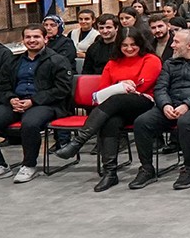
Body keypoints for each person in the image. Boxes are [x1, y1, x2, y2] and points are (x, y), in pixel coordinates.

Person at [54, 27, 163, 192]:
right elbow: (102, 90)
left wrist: (118, 87)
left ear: (140, 44)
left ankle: (78, 141)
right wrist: (121, 86)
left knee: (116, 99)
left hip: (144, 103)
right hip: (116, 107)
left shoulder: (151, 59)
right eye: (124, 45)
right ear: (119, 46)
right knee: (110, 121)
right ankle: (110, 172)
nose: (129, 48)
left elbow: (143, 84)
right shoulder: (112, 63)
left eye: (133, 45)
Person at [132, 30, 190, 190]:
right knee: (142, 122)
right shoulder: (169, 63)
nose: (172, 45)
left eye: (176, 42)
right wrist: (165, 104)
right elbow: (160, 88)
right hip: (171, 104)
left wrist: (187, 104)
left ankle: (188, 168)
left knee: (185, 122)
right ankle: (146, 168)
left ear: (189, 45)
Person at [0, 25, 74, 184]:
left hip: (45, 104)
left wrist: (33, 101)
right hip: (16, 103)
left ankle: (29, 165)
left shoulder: (57, 60)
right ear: (23, 40)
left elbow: (62, 89)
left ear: (45, 39)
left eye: (36, 37)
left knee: (29, 124)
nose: (32, 40)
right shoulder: (14, 61)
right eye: (28, 37)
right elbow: (3, 86)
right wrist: (10, 98)